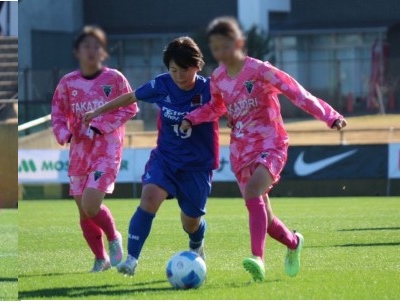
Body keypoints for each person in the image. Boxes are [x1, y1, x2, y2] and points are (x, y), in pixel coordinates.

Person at [184, 17, 347, 281]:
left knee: (252, 191)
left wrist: (330, 116)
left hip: (271, 145)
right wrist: (192, 117)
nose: (220, 52)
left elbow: (297, 93)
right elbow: (216, 107)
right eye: (215, 47)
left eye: (225, 45)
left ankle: (258, 258)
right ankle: (294, 242)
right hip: (240, 152)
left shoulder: (260, 70)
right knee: (267, 220)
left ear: (239, 43)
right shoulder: (217, 78)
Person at [80, 36, 215, 276]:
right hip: (165, 158)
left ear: (197, 66)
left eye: (184, 69)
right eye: (173, 70)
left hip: (197, 165)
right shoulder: (161, 85)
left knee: (191, 222)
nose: (179, 75)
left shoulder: (209, 90)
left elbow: (228, 107)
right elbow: (131, 97)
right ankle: (131, 259)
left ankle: (196, 244)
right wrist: (97, 111)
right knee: (149, 198)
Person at [51, 25, 133, 273]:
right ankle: (101, 259)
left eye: (96, 46)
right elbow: (57, 114)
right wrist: (64, 134)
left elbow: (130, 107)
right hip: (79, 154)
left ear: (103, 52)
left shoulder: (115, 79)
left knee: (91, 204)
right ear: (77, 51)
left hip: (107, 152)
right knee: (83, 212)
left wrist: (101, 125)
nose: (91, 50)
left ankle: (113, 236)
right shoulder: (68, 83)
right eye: (86, 45)